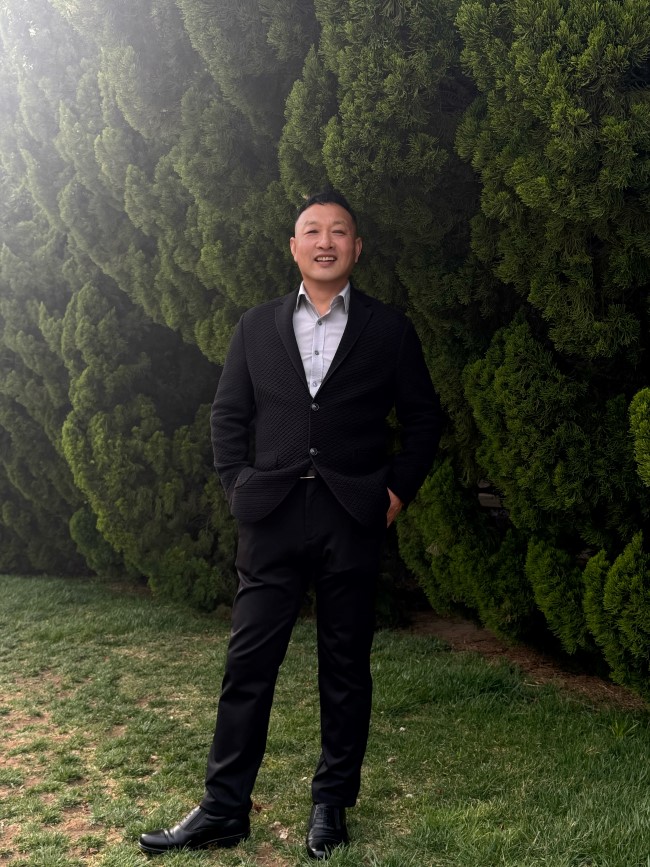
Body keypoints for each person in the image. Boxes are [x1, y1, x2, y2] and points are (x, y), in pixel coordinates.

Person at [139, 190, 443, 860]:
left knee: (345, 665)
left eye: (338, 231)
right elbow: (228, 416)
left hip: (351, 514)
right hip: (271, 515)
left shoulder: (389, 329)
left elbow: (424, 420)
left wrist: (395, 492)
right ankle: (223, 808)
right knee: (248, 662)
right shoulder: (256, 326)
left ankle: (331, 804)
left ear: (356, 247)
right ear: (294, 246)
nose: (325, 241)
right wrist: (237, 484)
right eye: (312, 230)